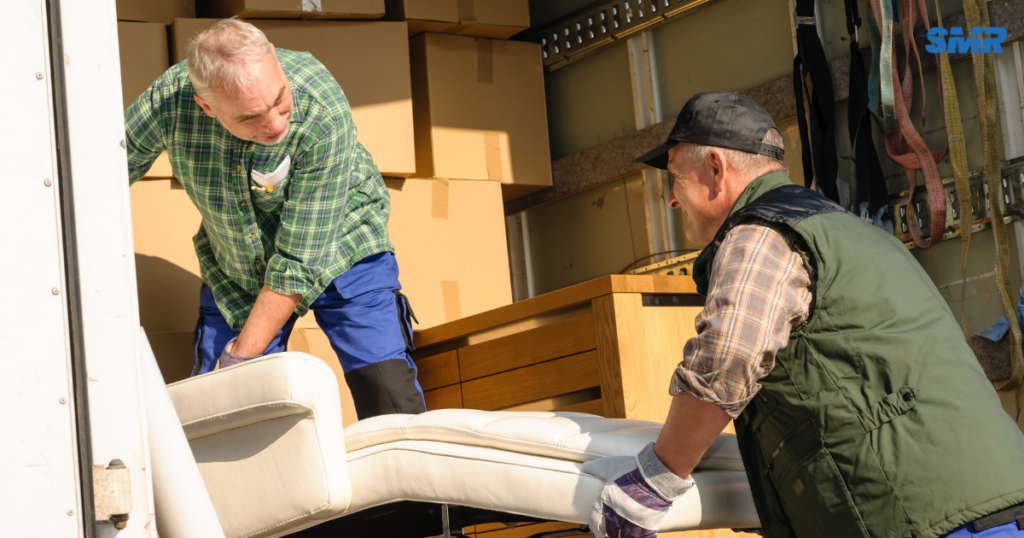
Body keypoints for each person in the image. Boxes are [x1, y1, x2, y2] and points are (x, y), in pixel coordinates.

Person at [591, 91, 1024, 538]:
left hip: (930, 518)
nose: (671, 201)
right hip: (996, 500)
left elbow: (729, 355)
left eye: (676, 179)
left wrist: (655, 480)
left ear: (716, 169)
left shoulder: (762, 232)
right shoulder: (848, 229)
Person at [124, 18, 425, 419]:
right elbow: (99, 175)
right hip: (237, 264)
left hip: (343, 243)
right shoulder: (168, 102)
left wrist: (241, 358)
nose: (276, 124)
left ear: (277, 65)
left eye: (280, 101)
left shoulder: (319, 106)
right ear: (206, 106)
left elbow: (298, 262)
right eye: (250, 118)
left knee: (387, 392)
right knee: (216, 410)